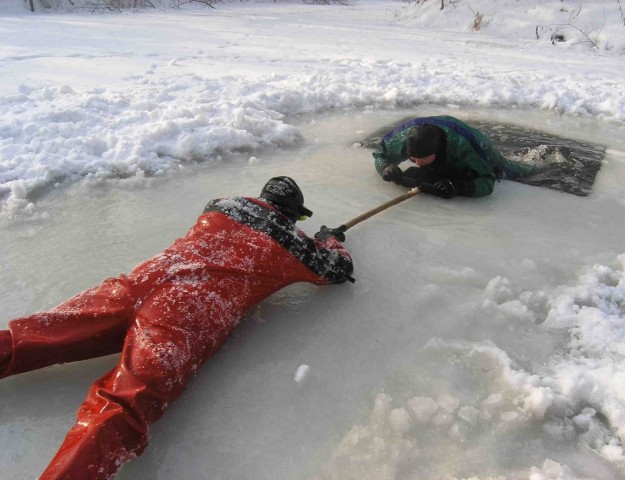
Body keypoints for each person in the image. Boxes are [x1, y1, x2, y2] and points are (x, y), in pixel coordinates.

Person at [0, 176, 354, 480]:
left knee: (41, 333)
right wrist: (328, 239)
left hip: (140, 282)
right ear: (293, 214)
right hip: (182, 311)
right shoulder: (291, 242)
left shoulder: (220, 205)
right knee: (123, 407)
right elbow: (337, 271)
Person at [373, 115, 535, 198]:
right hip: (440, 130)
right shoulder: (405, 140)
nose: (418, 164)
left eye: (423, 159)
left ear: (436, 151)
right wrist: (386, 167)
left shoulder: (463, 147)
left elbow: (487, 182)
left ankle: (538, 165)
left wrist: (458, 187)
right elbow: (381, 155)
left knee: (510, 171)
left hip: (477, 142)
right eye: (413, 159)